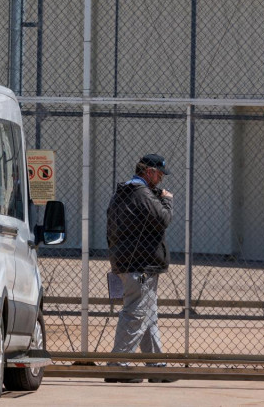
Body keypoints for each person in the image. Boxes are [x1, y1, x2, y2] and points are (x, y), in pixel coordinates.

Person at [104, 153, 176, 384]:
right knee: (135, 314)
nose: (162, 179)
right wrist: (166, 201)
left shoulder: (123, 193)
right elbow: (163, 219)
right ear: (148, 171)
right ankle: (118, 366)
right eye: (159, 174)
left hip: (127, 261)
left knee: (148, 314)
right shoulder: (141, 193)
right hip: (140, 264)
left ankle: (156, 367)